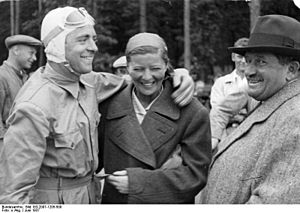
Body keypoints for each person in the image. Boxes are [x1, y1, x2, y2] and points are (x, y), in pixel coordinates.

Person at [0, 7, 194, 204]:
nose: (93, 47)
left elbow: (135, 79)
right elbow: (12, 195)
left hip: (91, 196)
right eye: (82, 40)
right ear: (57, 46)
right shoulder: (34, 105)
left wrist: (177, 74)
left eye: (93, 39)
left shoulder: (88, 81)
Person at [98, 32, 212, 204]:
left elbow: (196, 175)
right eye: (138, 69)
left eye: (155, 68)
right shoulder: (109, 104)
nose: (147, 77)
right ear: (127, 67)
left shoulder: (192, 111)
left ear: (166, 65)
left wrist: (138, 183)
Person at [200, 14, 300, 204]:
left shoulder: (296, 119)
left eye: (260, 62)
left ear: (291, 70)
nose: (248, 71)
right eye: (248, 61)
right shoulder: (272, 97)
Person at [209, 37, 258, 152]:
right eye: (240, 57)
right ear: (233, 57)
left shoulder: (256, 82)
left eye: (247, 58)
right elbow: (217, 110)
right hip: (225, 131)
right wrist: (241, 115)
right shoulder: (221, 82)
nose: (243, 61)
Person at [0, 35, 42, 151]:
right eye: (31, 53)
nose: (34, 58)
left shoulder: (24, 78)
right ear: (16, 51)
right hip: (8, 148)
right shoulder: (2, 76)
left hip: (22, 146)